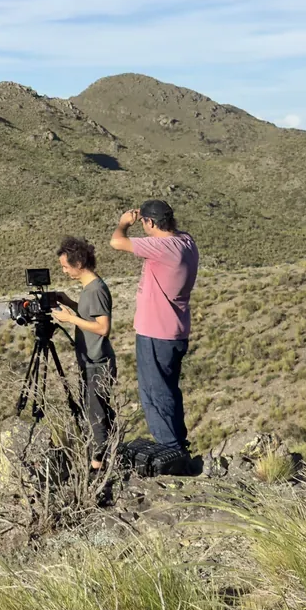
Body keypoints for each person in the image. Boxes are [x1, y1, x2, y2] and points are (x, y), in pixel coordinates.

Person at [110, 199, 198, 453]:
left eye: (145, 223)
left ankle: (170, 451)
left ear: (149, 222)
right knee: (168, 390)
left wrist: (123, 224)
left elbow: (116, 242)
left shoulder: (163, 247)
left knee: (155, 393)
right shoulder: (186, 242)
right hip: (175, 330)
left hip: (156, 333)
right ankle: (178, 444)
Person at [44, 236, 115, 470]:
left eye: (65, 266)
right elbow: (90, 315)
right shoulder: (89, 289)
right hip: (91, 360)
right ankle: (106, 455)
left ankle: (98, 465)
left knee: (97, 415)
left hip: (98, 362)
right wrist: (70, 303)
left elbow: (103, 328)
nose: (64, 271)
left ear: (79, 263)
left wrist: (70, 318)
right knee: (96, 410)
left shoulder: (95, 290)